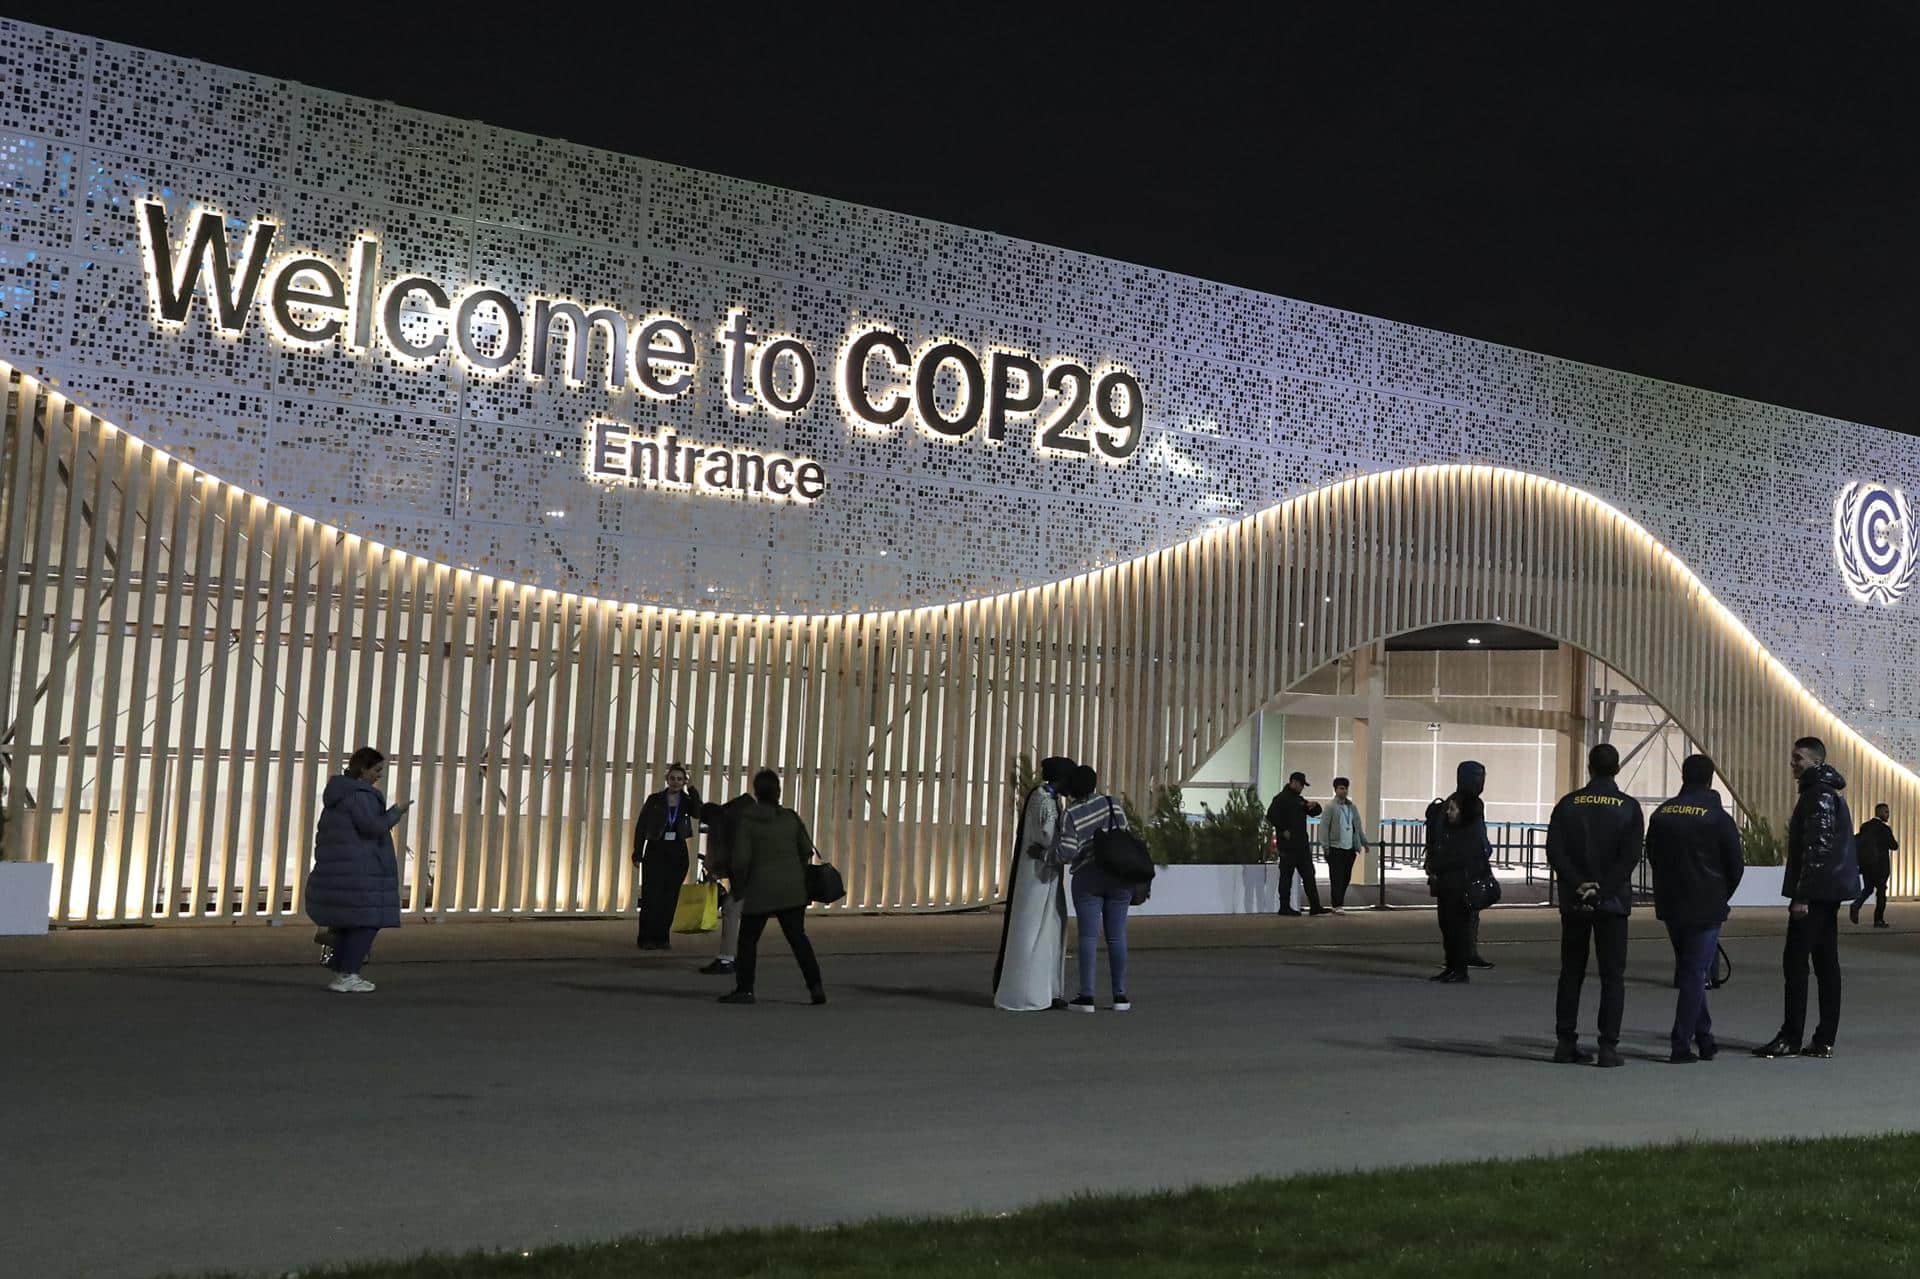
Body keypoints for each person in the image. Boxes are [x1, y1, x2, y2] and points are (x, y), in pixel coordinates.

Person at [1756, 736, 1860, 1059]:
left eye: (1798, 758)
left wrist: (1802, 896)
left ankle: (1791, 1036)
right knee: (1826, 962)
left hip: (1815, 895)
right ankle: (1824, 1039)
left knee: (1796, 962)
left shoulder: (1817, 796)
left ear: (1815, 761)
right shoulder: (1826, 793)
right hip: (1827, 893)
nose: (1793, 764)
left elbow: (1818, 848)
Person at [1545, 743, 1644, 1066]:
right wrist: (1603, 890)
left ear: (1589, 767)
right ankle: (1608, 1047)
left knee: (1571, 972)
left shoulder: (1568, 804)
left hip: (1574, 902)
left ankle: (1565, 1041)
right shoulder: (1628, 807)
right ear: (1616, 769)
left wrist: (1578, 884)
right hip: (1612, 903)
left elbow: (1555, 851)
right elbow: (1629, 857)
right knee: (1612, 976)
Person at [1645, 755, 1744, 1064]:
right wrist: (1720, 895)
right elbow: (1735, 866)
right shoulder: (1718, 817)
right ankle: (1680, 1043)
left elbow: (1653, 856)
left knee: (1690, 970)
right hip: (1706, 904)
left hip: (1672, 903)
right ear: (1711, 779)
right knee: (1694, 973)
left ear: (1684, 776)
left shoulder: (1662, 814)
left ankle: (1705, 1038)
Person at [305, 746, 411, 994]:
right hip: (360, 870)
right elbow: (373, 827)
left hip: (341, 870)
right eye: (377, 769)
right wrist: (397, 812)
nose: (380, 775)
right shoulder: (361, 796)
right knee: (367, 921)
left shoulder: (337, 796)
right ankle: (348, 974)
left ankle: (342, 970)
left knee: (350, 921)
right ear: (363, 770)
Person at [719, 768, 825, 1006]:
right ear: (778, 792)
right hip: (791, 889)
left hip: (759, 890)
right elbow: (806, 850)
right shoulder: (790, 817)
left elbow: (741, 860)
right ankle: (816, 987)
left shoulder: (748, 821)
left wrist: (738, 886)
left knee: (748, 940)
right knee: (798, 939)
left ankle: (745, 990)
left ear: (756, 792)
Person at [993, 755, 1073, 1011]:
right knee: (1034, 930)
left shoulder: (1045, 797)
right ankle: (1030, 992)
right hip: (1038, 875)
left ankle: (1046, 989)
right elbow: (1046, 834)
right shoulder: (1044, 799)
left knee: (1047, 930)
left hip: (1045, 873)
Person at [1055, 764, 1137, 1011]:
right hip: (1120, 876)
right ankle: (1120, 996)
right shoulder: (1112, 804)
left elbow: (1067, 851)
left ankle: (1087, 996)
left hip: (1088, 878)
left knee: (1089, 936)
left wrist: (1048, 855)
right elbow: (1126, 833)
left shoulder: (1072, 814)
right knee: (1117, 935)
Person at [1424, 763, 1491, 983]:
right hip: (1460, 875)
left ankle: (1455, 966)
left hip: (1448, 874)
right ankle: (1458, 967)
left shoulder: (1449, 802)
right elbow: (1478, 842)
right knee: (1458, 924)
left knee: (1450, 923)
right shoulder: (1471, 804)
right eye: (1479, 777)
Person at [632, 764, 703, 950]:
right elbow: (641, 826)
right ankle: (646, 937)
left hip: (677, 850)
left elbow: (698, 811)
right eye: (673, 778)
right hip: (656, 848)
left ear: (684, 781)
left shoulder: (687, 801)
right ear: (667, 779)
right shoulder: (655, 800)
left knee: (669, 897)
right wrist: (637, 851)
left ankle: (662, 936)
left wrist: (693, 789)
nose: (676, 782)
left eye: (680, 779)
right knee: (651, 896)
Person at [698, 789, 759, 976]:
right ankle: (735, 958)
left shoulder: (724, 825)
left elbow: (731, 858)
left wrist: (715, 873)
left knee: (731, 910)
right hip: (761, 877)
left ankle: (727, 959)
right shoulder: (739, 817)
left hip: (748, 879)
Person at [1267, 771, 1327, 916]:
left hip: (1301, 846)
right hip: (1288, 846)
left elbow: (1315, 812)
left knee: (1309, 875)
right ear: (1293, 782)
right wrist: (1283, 830)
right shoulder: (1280, 799)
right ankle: (1284, 907)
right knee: (1286, 876)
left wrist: (1315, 805)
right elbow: (1270, 816)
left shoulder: (1299, 800)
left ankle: (1315, 906)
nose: (1302, 788)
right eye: (1301, 785)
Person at [1322, 777, 1371, 914]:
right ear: (1335, 790)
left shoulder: (1352, 807)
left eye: (1346, 788)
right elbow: (1324, 828)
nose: (1344, 791)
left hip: (1350, 848)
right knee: (1336, 877)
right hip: (1335, 847)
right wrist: (1325, 846)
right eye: (1341, 788)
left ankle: (1338, 902)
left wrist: (1364, 842)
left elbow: (1358, 826)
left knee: (1346, 877)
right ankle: (1337, 904)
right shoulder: (1330, 807)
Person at [1851, 802, 1897, 928]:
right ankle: (1878, 920)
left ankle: (1856, 905)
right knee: (1881, 893)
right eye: (1886, 812)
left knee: (1868, 889)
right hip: (1881, 867)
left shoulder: (1865, 826)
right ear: (1880, 813)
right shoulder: (1885, 829)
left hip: (1867, 865)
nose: (1888, 815)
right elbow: (1894, 846)